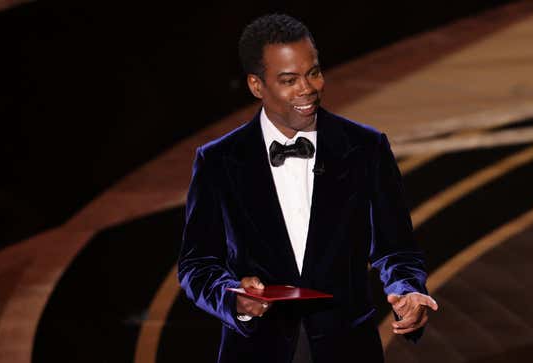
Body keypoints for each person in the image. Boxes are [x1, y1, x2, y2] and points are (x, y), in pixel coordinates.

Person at [178, 13, 438, 363]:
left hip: (347, 348)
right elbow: (198, 263)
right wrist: (232, 297)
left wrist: (407, 289)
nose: (308, 89)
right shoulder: (218, 161)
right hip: (256, 349)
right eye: (289, 79)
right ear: (257, 86)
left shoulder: (366, 148)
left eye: (313, 72)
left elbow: (397, 249)